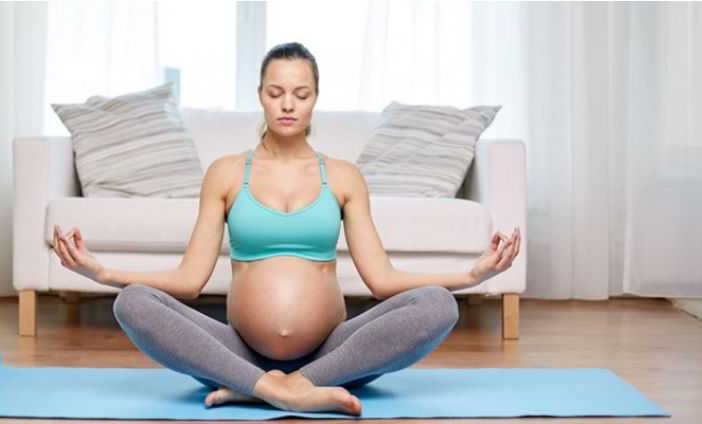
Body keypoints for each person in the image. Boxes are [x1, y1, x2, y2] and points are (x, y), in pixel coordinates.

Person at [53, 42, 521, 416]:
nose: (288, 105)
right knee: (131, 302)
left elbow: (383, 282)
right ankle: (273, 386)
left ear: (316, 98)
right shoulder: (226, 172)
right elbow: (189, 282)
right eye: (276, 93)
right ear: (260, 95)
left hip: (331, 355)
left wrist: (471, 277)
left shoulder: (341, 176)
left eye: (301, 94)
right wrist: (101, 272)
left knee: (438, 305)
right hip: (236, 351)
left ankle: (278, 388)